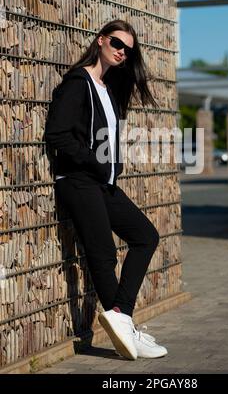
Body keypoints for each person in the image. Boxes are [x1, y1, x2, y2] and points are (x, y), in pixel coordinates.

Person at [44, 19, 168, 360]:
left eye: (127, 49)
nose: (121, 51)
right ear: (100, 40)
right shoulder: (77, 83)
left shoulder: (107, 88)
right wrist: (94, 162)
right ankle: (125, 323)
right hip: (79, 181)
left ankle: (122, 317)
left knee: (146, 236)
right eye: (116, 43)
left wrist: (110, 167)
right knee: (103, 255)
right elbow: (57, 134)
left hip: (103, 183)